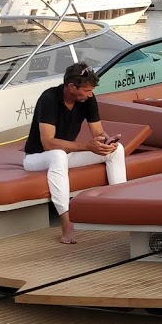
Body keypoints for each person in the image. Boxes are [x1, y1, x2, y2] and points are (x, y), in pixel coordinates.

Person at [23, 62, 126, 244]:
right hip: (36, 158)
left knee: (117, 150)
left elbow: (98, 132)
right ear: (71, 86)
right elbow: (48, 143)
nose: (90, 94)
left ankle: (122, 209)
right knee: (58, 155)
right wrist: (87, 146)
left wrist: (106, 142)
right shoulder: (49, 98)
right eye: (86, 90)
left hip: (67, 155)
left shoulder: (88, 99)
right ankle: (67, 224)